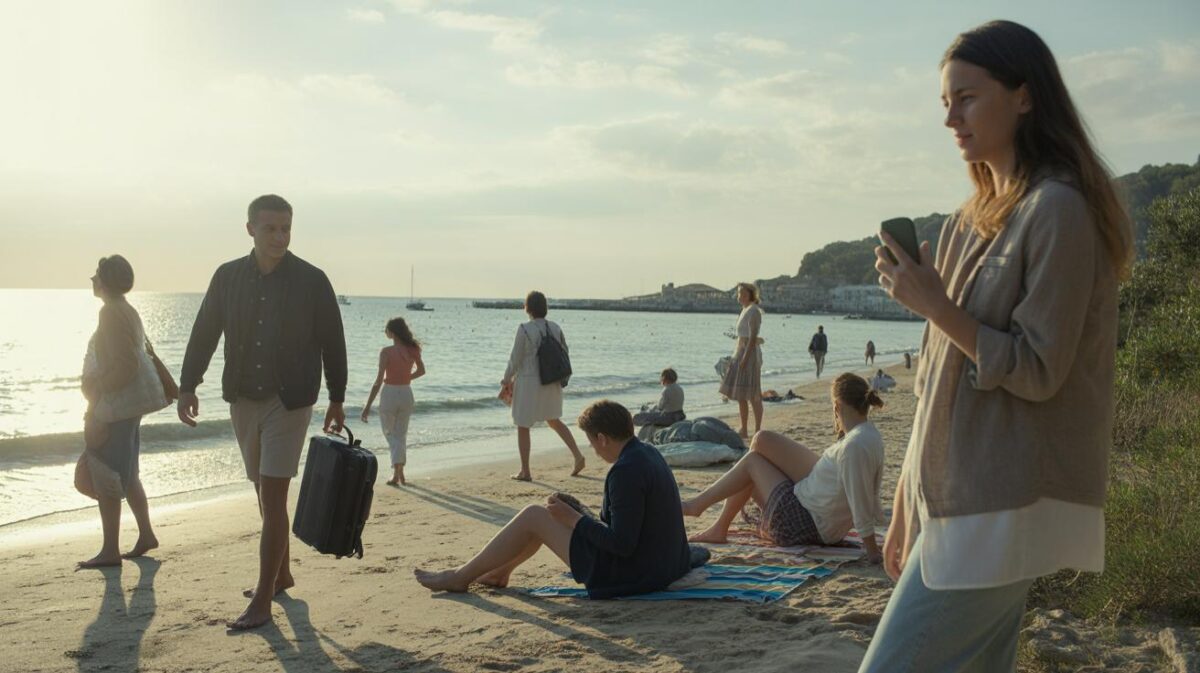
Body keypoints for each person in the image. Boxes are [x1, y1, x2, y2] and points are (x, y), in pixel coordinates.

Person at [861, 20, 1133, 673]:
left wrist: (935, 306)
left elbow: (1040, 368)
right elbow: (933, 383)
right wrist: (905, 501)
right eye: (945, 102)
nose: (951, 118)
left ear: (1025, 95)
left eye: (967, 97)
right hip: (958, 498)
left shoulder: (1058, 210)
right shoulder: (967, 222)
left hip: (1004, 504)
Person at [178, 194, 348, 631]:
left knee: (273, 497)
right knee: (261, 491)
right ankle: (283, 573)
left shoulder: (312, 280)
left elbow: (333, 339)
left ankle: (263, 603)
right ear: (250, 228)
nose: (279, 236)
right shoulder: (228, 276)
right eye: (270, 228)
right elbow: (205, 332)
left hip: (290, 400)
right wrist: (188, 385)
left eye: (286, 228)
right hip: (242, 397)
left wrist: (337, 396)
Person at [414, 400, 692, 598]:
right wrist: (579, 510)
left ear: (602, 438)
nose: (594, 450)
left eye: (592, 442)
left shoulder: (625, 472)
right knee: (545, 514)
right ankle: (499, 572)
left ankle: (460, 577)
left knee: (534, 515)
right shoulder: (647, 453)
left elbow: (622, 544)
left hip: (631, 575)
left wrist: (575, 519)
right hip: (660, 566)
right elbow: (629, 525)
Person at [682, 373, 884, 565]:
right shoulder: (869, 436)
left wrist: (872, 551)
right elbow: (870, 493)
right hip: (816, 510)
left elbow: (860, 501)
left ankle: (702, 511)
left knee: (753, 461)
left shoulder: (852, 447)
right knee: (761, 440)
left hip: (802, 524)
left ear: (836, 406)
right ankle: (713, 521)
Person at [77, 255, 160, 568]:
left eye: (96, 274)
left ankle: (110, 550)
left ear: (105, 281)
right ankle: (146, 534)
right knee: (129, 474)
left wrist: (98, 390)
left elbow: (127, 364)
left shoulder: (110, 313)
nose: (92, 279)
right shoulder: (127, 309)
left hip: (117, 406)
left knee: (106, 474)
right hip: (131, 405)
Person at [500, 290, 586, 481]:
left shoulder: (524, 329)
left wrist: (506, 379)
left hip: (529, 381)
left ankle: (525, 471)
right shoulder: (555, 327)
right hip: (551, 380)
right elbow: (565, 352)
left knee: (523, 424)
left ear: (527, 308)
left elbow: (515, 358)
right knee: (554, 420)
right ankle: (578, 456)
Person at [361, 317, 426, 486]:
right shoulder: (413, 349)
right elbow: (422, 371)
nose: (385, 332)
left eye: (386, 329)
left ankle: (397, 472)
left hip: (389, 393)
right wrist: (407, 377)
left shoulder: (386, 352)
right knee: (400, 434)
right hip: (406, 392)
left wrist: (367, 406)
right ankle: (400, 472)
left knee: (390, 433)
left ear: (392, 332)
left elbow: (378, 381)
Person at [718, 283, 765, 438]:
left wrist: (745, 358)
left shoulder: (753, 311)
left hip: (749, 355)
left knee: (753, 394)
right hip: (740, 352)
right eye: (739, 293)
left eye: (743, 293)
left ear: (751, 294)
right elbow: (742, 337)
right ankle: (744, 428)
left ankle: (757, 429)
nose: (740, 296)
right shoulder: (744, 310)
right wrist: (736, 357)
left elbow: (752, 337)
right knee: (741, 394)